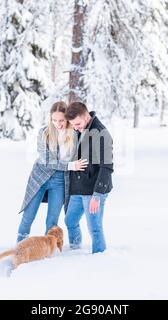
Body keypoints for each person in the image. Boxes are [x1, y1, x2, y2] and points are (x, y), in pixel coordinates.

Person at [17, 101, 88, 243]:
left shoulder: (75, 134)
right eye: (54, 120)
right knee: (28, 216)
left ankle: (47, 250)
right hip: (40, 177)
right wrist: (70, 166)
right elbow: (47, 161)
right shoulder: (44, 132)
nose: (58, 124)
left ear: (67, 118)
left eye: (61, 120)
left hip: (60, 181)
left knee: (52, 220)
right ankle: (19, 247)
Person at [64, 102, 114, 254]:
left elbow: (107, 168)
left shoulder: (101, 133)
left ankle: (99, 258)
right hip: (78, 188)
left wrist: (97, 195)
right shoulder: (80, 129)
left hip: (93, 191)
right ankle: (74, 250)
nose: (75, 127)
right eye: (73, 125)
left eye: (77, 124)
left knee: (95, 228)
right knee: (70, 221)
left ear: (86, 117)